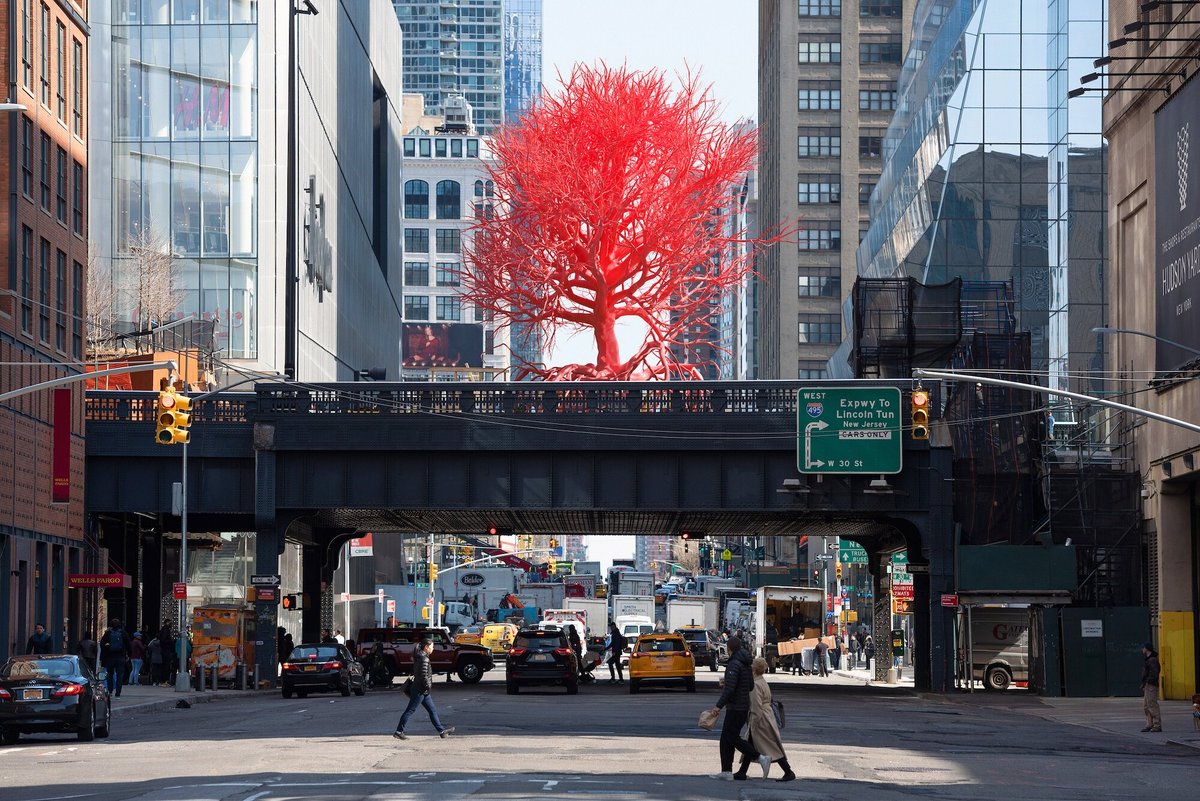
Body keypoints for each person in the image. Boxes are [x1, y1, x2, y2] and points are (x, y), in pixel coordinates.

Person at [734, 657, 796, 782]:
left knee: (769, 746)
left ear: (754, 670)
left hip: (761, 719)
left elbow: (756, 706)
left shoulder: (755, 685)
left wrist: (754, 723)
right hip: (767, 716)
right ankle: (742, 772)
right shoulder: (762, 681)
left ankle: (788, 771)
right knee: (753, 744)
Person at [706, 635, 759, 781]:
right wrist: (731, 682)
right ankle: (726, 771)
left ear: (729, 649)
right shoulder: (746, 664)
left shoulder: (734, 664)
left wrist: (718, 706)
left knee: (730, 738)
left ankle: (758, 757)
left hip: (735, 707)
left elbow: (730, 690)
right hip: (743, 707)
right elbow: (750, 686)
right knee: (727, 738)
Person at [392, 637, 454, 740]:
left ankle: (442, 731)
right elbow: (423, 675)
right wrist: (428, 686)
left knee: (432, 710)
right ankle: (399, 731)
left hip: (422, 690)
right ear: (426, 647)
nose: (433, 649)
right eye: (432, 647)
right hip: (420, 690)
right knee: (410, 710)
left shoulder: (420, 656)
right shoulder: (424, 658)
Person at [99, 618, 130, 697]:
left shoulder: (108, 633)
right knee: (120, 675)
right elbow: (129, 645)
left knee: (110, 674)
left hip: (110, 657)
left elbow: (102, 644)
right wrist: (128, 654)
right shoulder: (123, 633)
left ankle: (110, 691)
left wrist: (106, 651)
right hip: (120, 657)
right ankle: (118, 693)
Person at [1141, 642, 1162, 733]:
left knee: (1152, 705)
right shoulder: (1149, 659)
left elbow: (1154, 674)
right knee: (1146, 706)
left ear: (1146, 649)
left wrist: (1148, 681)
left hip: (1151, 686)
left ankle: (1157, 725)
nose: (1142, 650)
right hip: (1147, 685)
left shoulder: (1152, 660)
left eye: (1143, 648)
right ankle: (1149, 724)